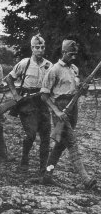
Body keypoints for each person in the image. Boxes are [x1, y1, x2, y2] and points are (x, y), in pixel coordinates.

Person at [40, 40, 96, 189]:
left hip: (73, 107)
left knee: (59, 146)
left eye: (75, 54)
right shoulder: (54, 70)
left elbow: (77, 91)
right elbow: (44, 96)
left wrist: (83, 88)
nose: (73, 57)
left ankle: (47, 175)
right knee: (71, 142)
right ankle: (85, 178)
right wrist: (57, 111)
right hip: (60, 108)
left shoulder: (74, 69)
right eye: (71, 54)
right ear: (63, 53)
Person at [5, 34, 52, 175]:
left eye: (42, 47)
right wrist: (15, 95)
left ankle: (43, 168)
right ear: (32, 48)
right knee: (31, 135)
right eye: (37, 47)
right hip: (27, 102)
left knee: (45, 136)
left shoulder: (49, 65)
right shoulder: (24, 63)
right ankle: (24, 160)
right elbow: (9, 78)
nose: (40, 50)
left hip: (43, 102)